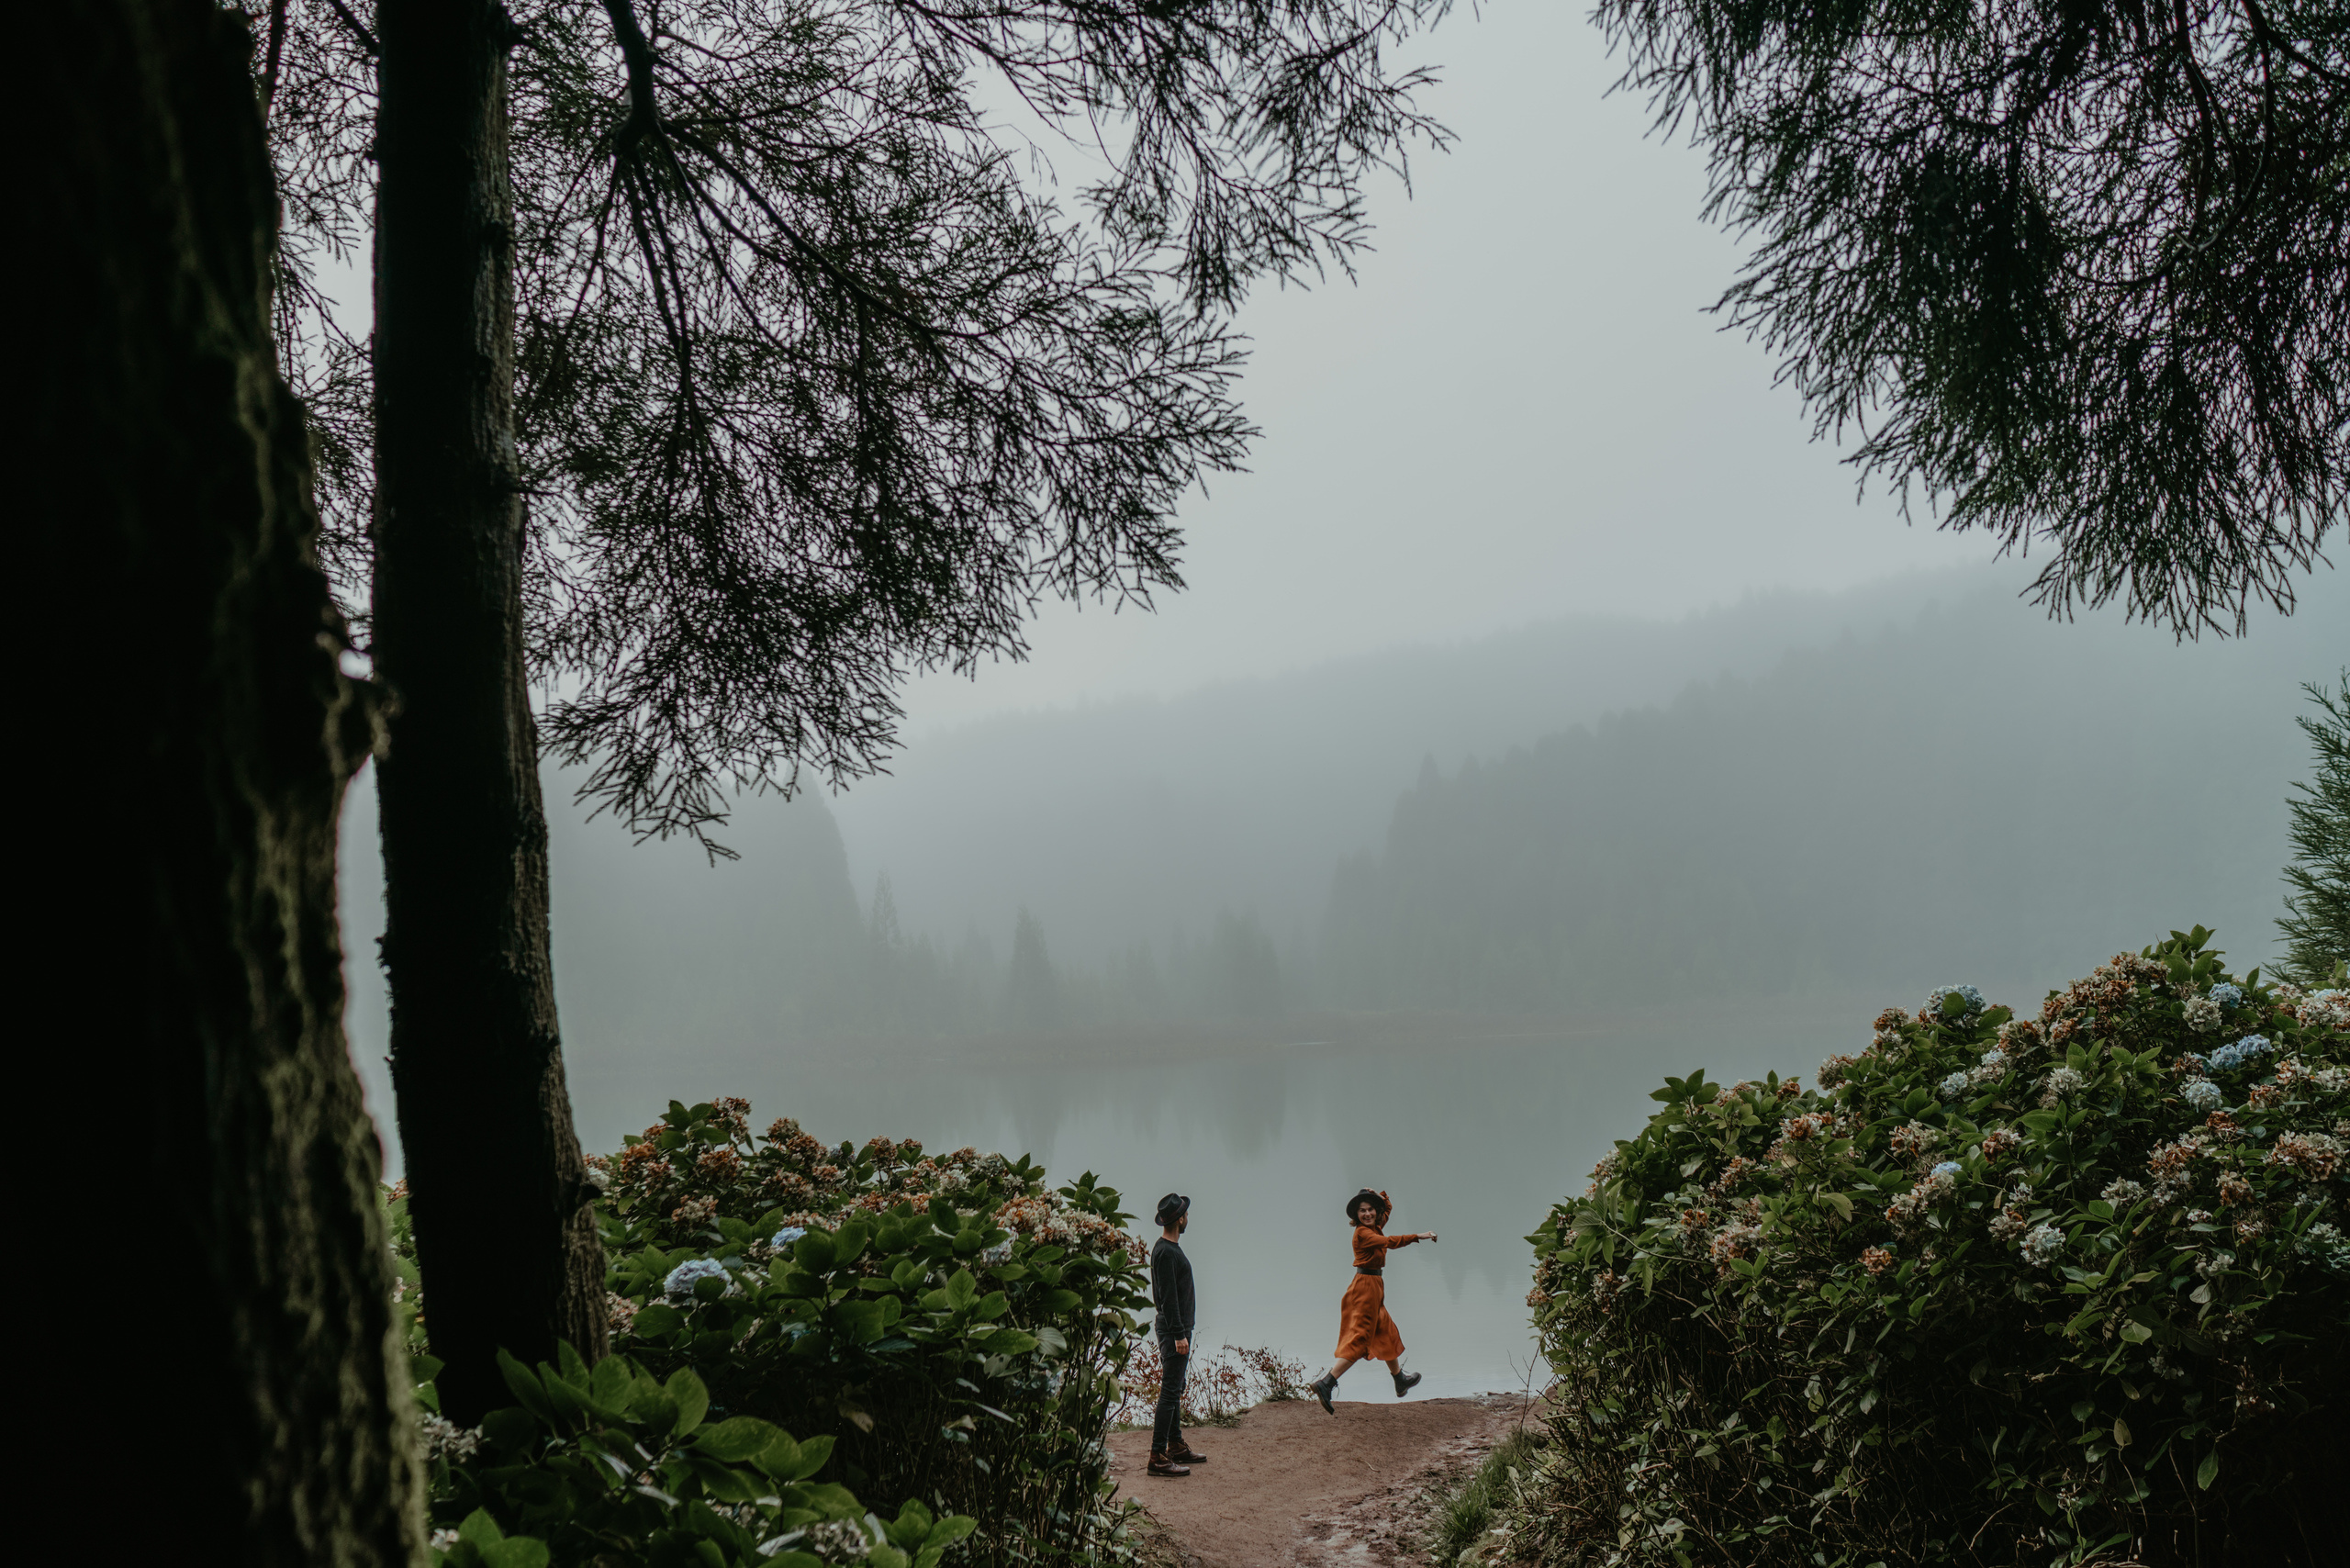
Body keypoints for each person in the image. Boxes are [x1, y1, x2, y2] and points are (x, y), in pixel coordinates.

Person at [1308, 1188, 1437, 1414]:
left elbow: (1387, 1208)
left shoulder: (1374, 1225)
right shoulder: (1363, 1234)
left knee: (1386, 1331)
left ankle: (1399, 1380)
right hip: (1365, 1287)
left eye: (1370, 1210)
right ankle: (1326, 1383)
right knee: (1360, 1338)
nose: (1367, 1214)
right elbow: (1389, 1242)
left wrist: (1378, 1195)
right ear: (1356, 1216)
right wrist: (1418, 1236)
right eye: (1362, 1211)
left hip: (1375, 1286)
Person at [1147, 1193, 1209, 1476]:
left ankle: (1175, 1445)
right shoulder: (1166, 1253)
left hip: (1178, 1328)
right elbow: (1169, 1299)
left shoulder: (1168, 1248)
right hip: (1175, 1330)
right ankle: (1158, 1456)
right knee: (1170, 1391)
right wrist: (1179, 1335)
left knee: (1176, 1387)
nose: (1188, 1218)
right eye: (1186, 1214)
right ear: (1180, 1219)